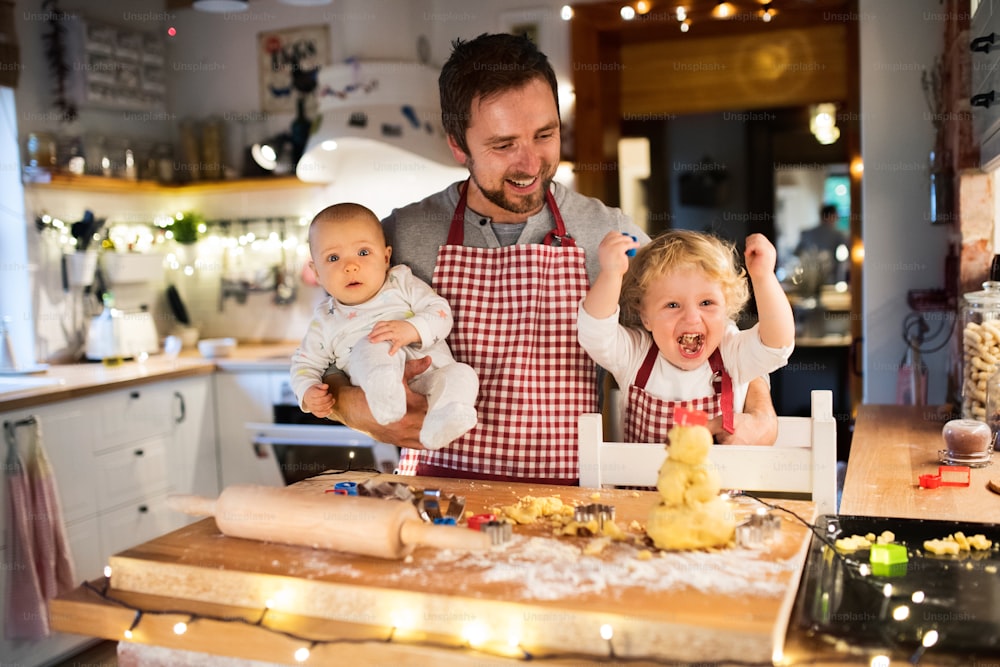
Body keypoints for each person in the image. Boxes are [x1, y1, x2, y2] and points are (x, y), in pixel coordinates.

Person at [322, 32, 779, 484]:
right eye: (503, 145)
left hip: (567, 498)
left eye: (545, 134)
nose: (530, 163)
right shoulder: (400, 235)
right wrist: (352, 404)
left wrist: (760, 411)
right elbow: (326, 343)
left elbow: (710, 333)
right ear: (458, 145)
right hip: (438, 489)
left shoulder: (609, 234)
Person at [290, 203, 478, 450]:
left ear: (386, 257)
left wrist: (411, 329)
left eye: (363, 253)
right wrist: (307, 392)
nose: (350, 266)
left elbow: (441, 313)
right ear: (316, 272)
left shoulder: (401, 282)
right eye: (333, 258)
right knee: (373, 343)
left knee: (463, 374)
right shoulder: (325, 320)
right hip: (374, 390)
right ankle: (386, 397)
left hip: (431, 376)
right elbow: (304, 365)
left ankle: (445, 420)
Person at [578, 230, 794, 444]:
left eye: (706, 303)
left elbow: (776, 344)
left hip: (719, 480)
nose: (691, 318)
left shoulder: (730, 353)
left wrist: (764, 277)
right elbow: (595, 334)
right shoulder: (636, 355)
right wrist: (610, 274)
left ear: (726, 308)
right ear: (645, 317)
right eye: (672, 305)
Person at [795, 203, 848, 283]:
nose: (837, 219)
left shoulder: (807, 233)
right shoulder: (838, 235)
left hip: (808, 280)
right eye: (836, 216)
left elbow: (797, 253)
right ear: (831, 216)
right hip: (831, 280)